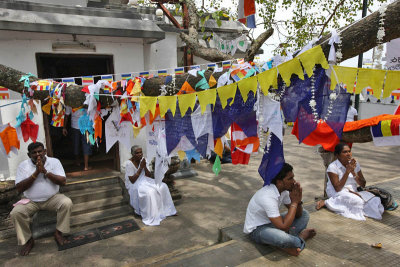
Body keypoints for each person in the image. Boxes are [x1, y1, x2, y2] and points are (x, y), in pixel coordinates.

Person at [10, 142, 73, 256]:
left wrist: (45, 172)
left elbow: (63, 182)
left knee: (66, 203)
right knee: (16, 213)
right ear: (29, 155)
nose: (38, 155)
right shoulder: (23, 165)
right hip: (31, 201)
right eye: (34, 153)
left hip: (52, 197)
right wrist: (35, 173)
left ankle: (58, 233)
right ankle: (28, 240)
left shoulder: (54, 162)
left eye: (40, 151)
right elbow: (19, 188)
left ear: (45, 151)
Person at [243, 163, 316, 256]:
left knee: (305, 214)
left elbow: (298, 215)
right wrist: (294, 202)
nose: (294, 181)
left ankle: (286, 243)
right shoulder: (267, 196)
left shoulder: (283, 190)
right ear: (279, 182)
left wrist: (298, 201)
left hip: (273, 223)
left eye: (293, 177)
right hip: (257, 230)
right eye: (290, 179)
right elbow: (283, 226)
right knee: (281, 238)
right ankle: (300, 238)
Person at [316, 143, 384, 220]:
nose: (348, 154)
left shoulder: (355, 164)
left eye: (349, 151)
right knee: (357, 201)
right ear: (337, 155)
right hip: (337, 192)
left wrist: (353, 172)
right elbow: (337, 188)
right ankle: (327, 202)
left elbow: (363, 184)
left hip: (353, 191)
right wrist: (347, 172)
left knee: (375, 200)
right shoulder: (333, 167)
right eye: (345, 152)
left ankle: (362, 209)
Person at [125, 145, 176, 226]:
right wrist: (140, 168)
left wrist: (145, 166)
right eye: (137, 153)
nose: (140, 154)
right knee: (150, 192)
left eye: (141, 152)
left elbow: (148, 175)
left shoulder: (143, 160)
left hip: (145, 179)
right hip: (134, 183)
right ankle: (151, 215)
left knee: (163, 186)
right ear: (133, 154)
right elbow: (132, 180)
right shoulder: (129, 163)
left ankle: (167, 211)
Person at [63, 106, 91, 171]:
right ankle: (86, 166)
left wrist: (64, 127)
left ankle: (77, 161)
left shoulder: (69, 103)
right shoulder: (87, 99)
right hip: (86, 126)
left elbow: (66, 116)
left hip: (75, 126)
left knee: (76, 144)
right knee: (86, 145)